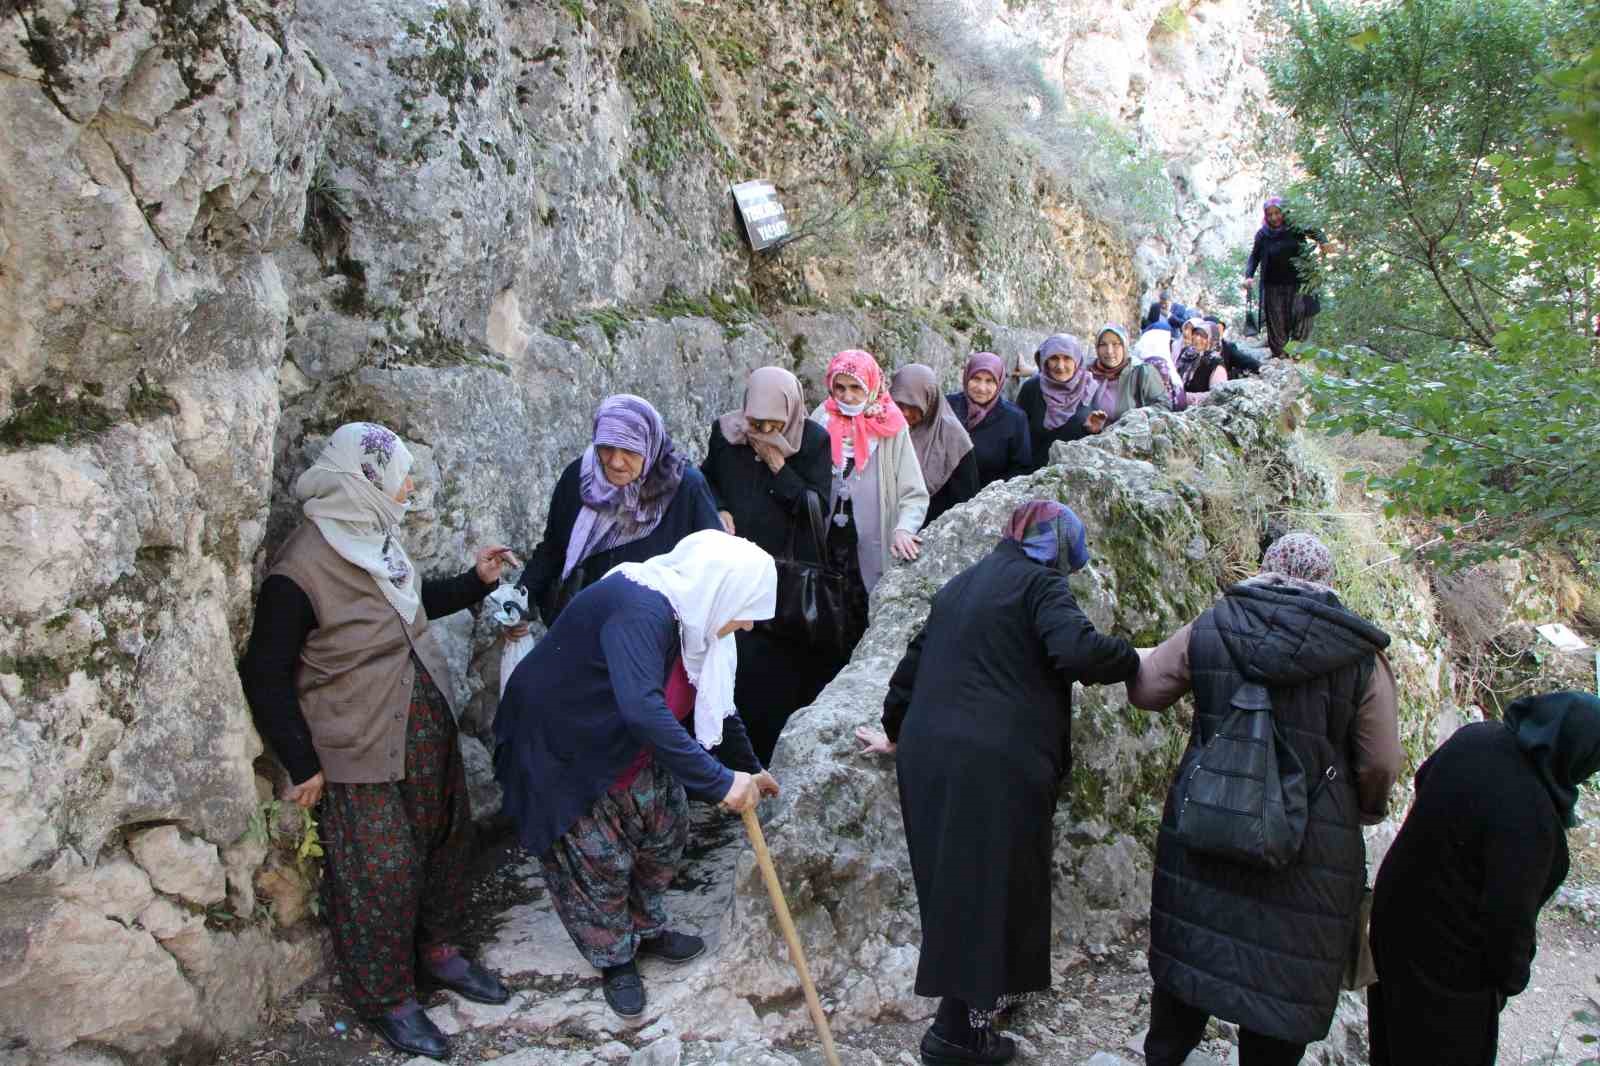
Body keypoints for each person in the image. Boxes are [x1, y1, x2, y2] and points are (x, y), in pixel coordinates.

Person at [239, 422, 520, 1061]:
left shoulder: (375, 537)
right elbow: (265, 670)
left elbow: (411, 603)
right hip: (357, 740)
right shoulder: (301, 568)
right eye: (398, 477)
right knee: (380, 871)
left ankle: (441, 952)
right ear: (361, 481)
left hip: (422, 725)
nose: (409, 487)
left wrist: (473, 582)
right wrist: (301, 760)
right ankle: (388, 998)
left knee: (449, 840)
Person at [857, 500, 1140, 1066]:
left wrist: (896, 732)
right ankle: (955, 1038)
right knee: (989, 894)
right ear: (1058, 551)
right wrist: (1133, 659)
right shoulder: (1040, 586)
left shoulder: (961, 585)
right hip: (993, 765)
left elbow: (909, 670)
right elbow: (1076, 650)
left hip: (931, 757)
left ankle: (973, 1020)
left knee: (958, 891)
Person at [1127, 532, 1402, 1066]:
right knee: (1281, 983)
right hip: (1308, 846)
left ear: (1266, 568)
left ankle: (1165, 1055)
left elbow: (1148, 690)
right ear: (1326, 580)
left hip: (1209, 816)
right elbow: (1381, 761)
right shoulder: (1357, 654)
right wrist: (1361, 809)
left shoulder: (1214, 623)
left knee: (1192, 954)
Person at [493, 531, 782, 1019]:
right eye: (749, 608)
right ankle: (615, 957)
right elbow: (643, 710)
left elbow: (718, 706)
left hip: (627, 744)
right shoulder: (640, 607)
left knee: (666, 830)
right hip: (567, 744)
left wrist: (750, 769)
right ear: (721, 589)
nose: (750, 624)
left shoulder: (699, 623)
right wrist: (719, 783)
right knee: (597, 858)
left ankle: (646, 926)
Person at [1367, 691, 1600, 1066]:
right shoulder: (1532, 810)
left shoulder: (1477, 737)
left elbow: (1424, 779)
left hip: (1394, 920)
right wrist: (1512, 978)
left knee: (1392, 1044)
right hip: (1449, 966)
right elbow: (1508, 918)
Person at [700, 366, 834, 763]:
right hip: (732, 570)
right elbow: (707, 481)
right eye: (756, 422)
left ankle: (768, 760)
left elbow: (816, 507)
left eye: (774, 423)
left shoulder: (812, 440)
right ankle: (728, 763)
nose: (761, 430)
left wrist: (779, 467)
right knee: (732, 664)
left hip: (783, 579)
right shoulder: (727, 434)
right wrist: (720, 508)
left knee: (775, 675)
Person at [516, 394, 719, 625]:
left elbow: (711, 563)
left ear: (650, 446)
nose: (615, 462)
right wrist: (520, 600)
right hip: (577, 624)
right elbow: (553, 548)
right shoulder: (580, 477)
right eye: (606, 448)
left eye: (630, 451)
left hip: (647, 632)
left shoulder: (685, 488)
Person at [809, 349, 929, 653]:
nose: (847, 396)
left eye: (855, 388)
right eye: (840, 388)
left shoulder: (891, 425)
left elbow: (913, 492)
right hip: (825, 542)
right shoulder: (821, 418)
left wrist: (904, 528)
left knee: (863, 618)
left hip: (871, 545)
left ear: (871, 386)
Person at [889, 363, 978, 526]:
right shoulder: (884, 428)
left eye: (914, 406)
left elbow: (967, 499)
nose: (905, 413)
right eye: (899, 404)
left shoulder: (953, 438)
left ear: (930, 402)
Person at [1243, 196, 1324, 359]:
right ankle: (1280, 355)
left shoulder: (1295, 228)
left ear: (1284, 213)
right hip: (1273, 285)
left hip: (1299, 283)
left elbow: (1315, 231)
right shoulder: (1263, 235)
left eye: (1277, 213)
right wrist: (1248, 276)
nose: (1274, 218)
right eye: (1270, 214)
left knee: (1301, 314)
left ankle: (1298, 351)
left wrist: (1324, 242)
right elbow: (1254, 257)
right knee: (1276, 321)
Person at [1016, 335, 1102, 472]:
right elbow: (1018, 437)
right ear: (1044, 361)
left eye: (1067, 358)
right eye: (1054, 358)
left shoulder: (1090, 389)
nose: (1060, 366)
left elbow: (1095, 446)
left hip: (1074, 477)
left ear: (1077, 360)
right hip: (1032, 477)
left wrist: (1093, 431)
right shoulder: (1032, 388)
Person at [945, 352, 1032, 488]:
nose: (981, 388)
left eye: (989, 381)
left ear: (999, 382)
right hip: (940, 501)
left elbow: (1021, 469)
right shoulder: (947, 407)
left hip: (987, 502)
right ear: (967, 377)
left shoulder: (1014, 418)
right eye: (976, 378)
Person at [1085, 325, 1171, 429]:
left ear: (1125, 346)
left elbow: (1164, 407)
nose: (1109, 351)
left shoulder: (1142, 372)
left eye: (1116, 344)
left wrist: (1141, 414)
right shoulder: (1088, 371)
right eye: (1103, 344)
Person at [1176, 321, 1229, 405]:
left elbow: (1217, 395)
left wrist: (1186, 397)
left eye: (1203, 336)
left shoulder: (1215, 363)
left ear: (1212, 340)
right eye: (1196, 334)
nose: (1197, 338)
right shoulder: (1186, 354)